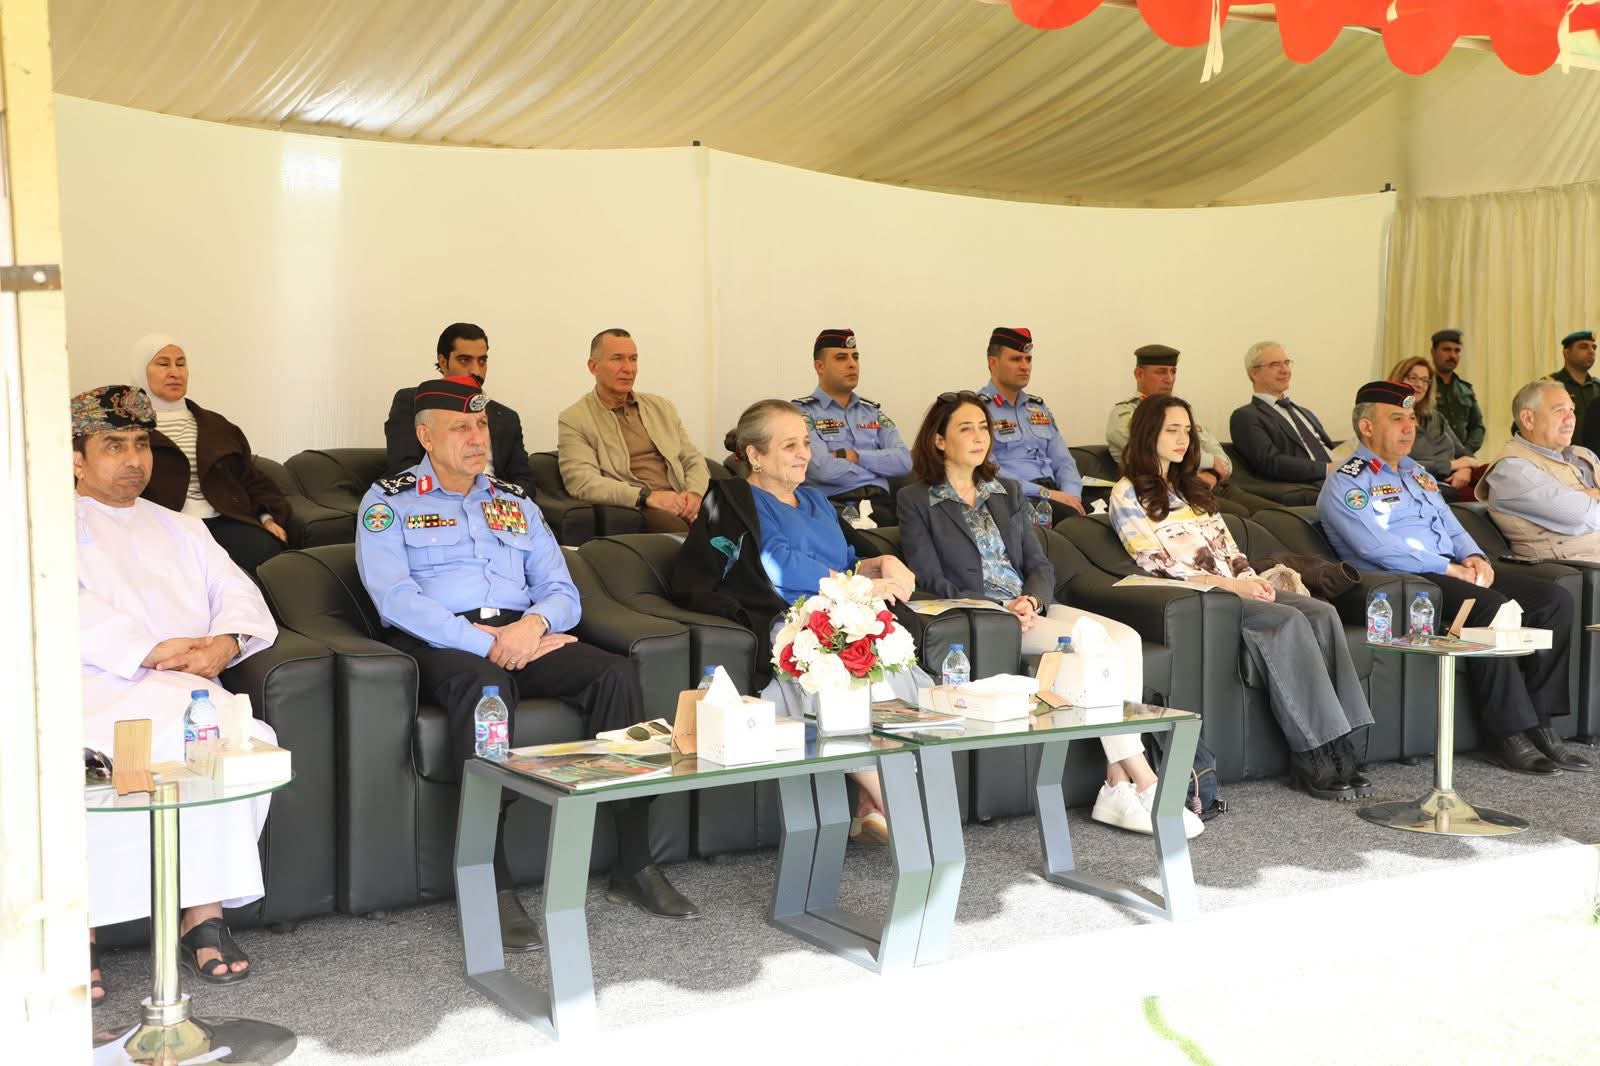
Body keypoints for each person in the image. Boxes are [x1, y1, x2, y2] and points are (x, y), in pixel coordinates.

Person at [358, 376, 698, 944]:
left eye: (481, 425)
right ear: (425, 436)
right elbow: (396, 599)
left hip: (525, 633)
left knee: (615, 675)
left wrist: (533, 627)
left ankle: (634, 863)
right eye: (461, 428)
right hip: (445, 642)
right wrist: (488, 643)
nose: (477, 438)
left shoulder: (512, 501)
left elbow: (562, 590)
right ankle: (489, 882)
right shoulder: (388, 501)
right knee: (486, 690)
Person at [900, 392, 1203, 837]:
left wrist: (1032, 599)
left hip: (1032, 607)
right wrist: (1000, 607)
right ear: (939, 441)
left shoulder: (1006, 490)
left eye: (984, 427)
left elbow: (1039, 563)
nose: (980, 436)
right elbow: (928, 576)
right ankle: (1146, 780)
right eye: (966, 428)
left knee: (1127, 639)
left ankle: (1116, 783)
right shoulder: (916, 499)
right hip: (991, 617)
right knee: (1094, 645)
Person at [73, 385, 280, 1004]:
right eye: (114, 446)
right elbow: (60, 604)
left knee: (246, 742)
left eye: (140, 444)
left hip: (189, 687)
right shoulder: (44, 526)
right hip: (94, 685)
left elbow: (236, 592)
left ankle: (203, 914)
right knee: (84, 760)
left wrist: (226, 643)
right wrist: (146, 649)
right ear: (77, 458)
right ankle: (77, 932)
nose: (133, 460)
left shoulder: (182, 526)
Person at [672, 399, 922, 843]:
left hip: (844, 608)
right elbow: (777, 564)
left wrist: (884, 564)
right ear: (754, 455)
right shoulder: (738, 500)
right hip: (789, 615)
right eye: (790, 446)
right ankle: (888, 797)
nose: (804, 454)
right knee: (834, 664)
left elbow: (850, 559)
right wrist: (854, 586)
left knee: (886, 665)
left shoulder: (815, 500)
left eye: (806, 443)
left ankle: (870, 802)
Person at [1318, 380, 1592, 775]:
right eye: (1396, 419)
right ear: (1366, 427)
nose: (1409, 428)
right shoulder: (1347, 481)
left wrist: (1475, 556)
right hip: (1406, 580)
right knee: (1490, 607)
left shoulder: (1417, 473)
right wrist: (1451, 568)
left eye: (1411, 419)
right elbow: (1375, 547)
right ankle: (1506, 733)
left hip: (1451, 568)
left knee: (1553, 601)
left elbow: (1451, 524)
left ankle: (1542, 722)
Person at [1112, 394, 1375, 801]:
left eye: (1187, 430)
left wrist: (1252, 580)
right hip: (1205, 597)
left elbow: (1229, 549)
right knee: (1287, 621)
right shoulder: (1128, 493)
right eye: (1171, 430)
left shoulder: (1193, 489)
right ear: (1149, 434)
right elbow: (1155, 563)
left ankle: (1344, 740)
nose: (1182, 439)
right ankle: (1313, 753)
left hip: (1238, 587)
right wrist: (1236, 587)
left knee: (1322, 612)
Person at [131, 333, 291, 574]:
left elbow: (249, 478)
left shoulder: (218, 426)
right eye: (163, 364)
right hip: (162, 525)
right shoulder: (125, 430)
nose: (175, 373)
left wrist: (267, 517)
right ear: (140, 371)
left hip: (224, 519)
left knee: (268, 556)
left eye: (181, 364)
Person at [557, 328, 709, 533]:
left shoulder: (661, 407)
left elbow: (692, 459)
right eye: (617, 359)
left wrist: (695, 494)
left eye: (633, 359)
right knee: (684, 533)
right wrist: (647, 496)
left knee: (738, 519)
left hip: (682, 498)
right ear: (593, 366)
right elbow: (582, 482)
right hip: (641, 506)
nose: (628, 368)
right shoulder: (575, 419)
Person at [1105, 343, 1272, 516]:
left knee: (1277, 515)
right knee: (1241, 516)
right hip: (1171, 492)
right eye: (1161, 372)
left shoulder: (1180, 411)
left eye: (1173, 372)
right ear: (1139, 374)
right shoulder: (1125, 414)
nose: (1169, 379)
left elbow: (1223, 460)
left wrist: (1214, 474)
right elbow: (1151, 451)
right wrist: (1210, 462)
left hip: (1215, 485)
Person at [383, 322, 536, 496]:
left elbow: (524, 481)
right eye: (465, 360)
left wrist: (498, 502)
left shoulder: (507, 417)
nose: (476, 370)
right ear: (443, 362)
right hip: (433, 502)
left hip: (496, 505)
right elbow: (404, 468)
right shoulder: (412, 402)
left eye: (482, 361)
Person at [793, 328, 912, 525]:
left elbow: (904, 462)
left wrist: (856, 456)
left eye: (855, 357)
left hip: (882, 507)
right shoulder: (802, 413)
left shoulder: (872, 412)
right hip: (833, 509)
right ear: (820, 366)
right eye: (841, 358)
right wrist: (879, 468)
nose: (852, 364)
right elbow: (822, 469)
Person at [1478, 380, 1600, 562]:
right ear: (1528, 419)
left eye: (1572, 410)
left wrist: (1587, 496)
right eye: (1559, 411)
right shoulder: (1512, 470)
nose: (1571, 419)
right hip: (1578, 568)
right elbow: (1586, 516)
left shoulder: (1581, 454)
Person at [978, 327, 1084, 524]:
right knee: (1073, 523)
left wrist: (1072, 496)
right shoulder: (978, 410)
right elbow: (989, 471)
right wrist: (1046, 493)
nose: (1025, 366)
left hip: (1055, 496)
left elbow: (1064, 461)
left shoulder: (1037, 408)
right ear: (993, 363)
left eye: (1028, 359)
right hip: (1016, 498)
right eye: (1016, 359)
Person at [1228, 341, 1337, 489]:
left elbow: (1328, 450)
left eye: (1286, 363)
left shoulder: (1305, 412)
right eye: (1275, 365)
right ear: (1254, 373)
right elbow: (1270, 462)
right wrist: (1326, 469)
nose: (1285, 370)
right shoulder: (1245, 416)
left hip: (1343, 476)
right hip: (1309, 486)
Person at [1387, 355, 1484, 496]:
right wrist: (1451, 465)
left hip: (1455, 481)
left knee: (1494, 474)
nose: (1419, 385)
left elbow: (1464, 454)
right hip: (1420, 486)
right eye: (1413, 378)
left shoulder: (1436, 418)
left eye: (1425, 380)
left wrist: (1465, 469)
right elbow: (1397, 464)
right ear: (1398, 380)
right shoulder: (1389, 419)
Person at [1429, 328, 1485, 452]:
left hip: (1462, 456)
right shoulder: (1423, 386)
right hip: (1429, 457)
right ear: (1433, 352)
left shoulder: (1465, 389)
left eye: (1457, 350)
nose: (1452, 356)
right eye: (1447, 350)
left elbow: (1477, 426)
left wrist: (1466, 451)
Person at [1548, 329, 1599, 446]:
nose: (1591, 351)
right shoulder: (1549, 387)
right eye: (1583, 347)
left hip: (1594, 455)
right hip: (1560, 454)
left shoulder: (1598, 387)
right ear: (1566, 353)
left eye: (1594, 348)